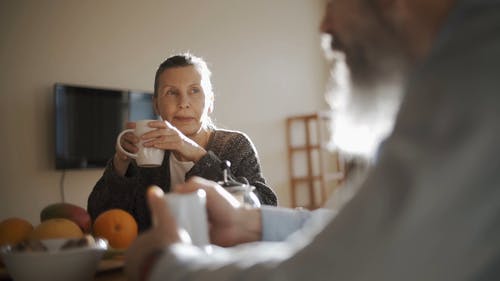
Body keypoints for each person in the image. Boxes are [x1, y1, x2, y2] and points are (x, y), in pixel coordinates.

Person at [126, 0, 500, 280]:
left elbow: (345, 268)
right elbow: (357, 234)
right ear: (157, 101)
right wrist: (251, 223)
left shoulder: (475, 76)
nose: (325, 24)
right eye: (171, 94)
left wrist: (165, 264)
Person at [88, 53, 277, 232]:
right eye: (171, 92)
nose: (183, 102)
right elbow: (99, 217)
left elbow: (265, 208)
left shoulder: (235, 145)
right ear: (156, 104)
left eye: (194, 90)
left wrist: (198, 155)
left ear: (210, 102)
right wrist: (121, 163)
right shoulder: (145, 152)